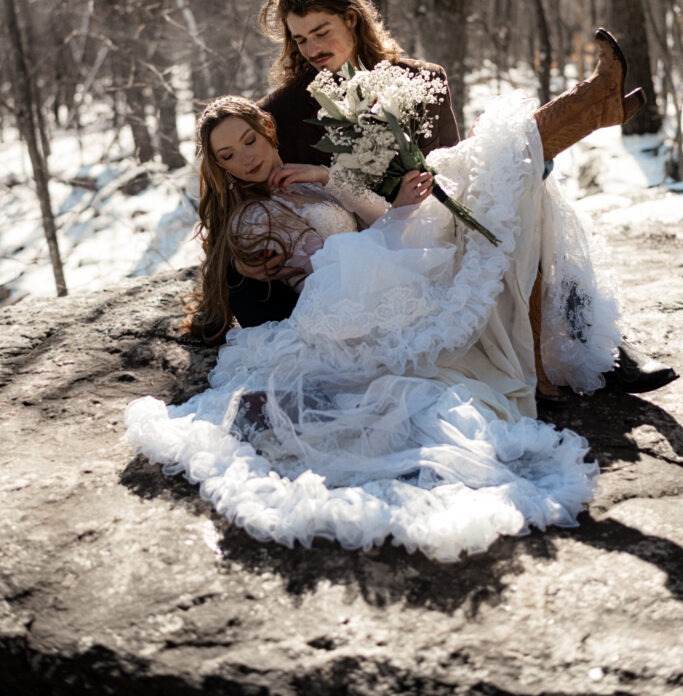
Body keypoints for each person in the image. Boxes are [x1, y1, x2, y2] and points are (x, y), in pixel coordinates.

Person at [125, 49, 653, 561]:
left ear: (267, 131)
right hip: (355, 302)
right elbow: (335, 269)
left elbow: (376, 222)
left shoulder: (301, 176)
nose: (247, 158)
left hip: (381, 266)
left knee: (473, 171)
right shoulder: (252, 217)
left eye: (249, 140)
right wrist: (396, 223)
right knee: (484, 180)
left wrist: (343, 183)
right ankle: (593, 107)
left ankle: (592, 105)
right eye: (229, 155)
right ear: (218, 167)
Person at [232, 0, 675, 396]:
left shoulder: (424, 79)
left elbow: (452, 164)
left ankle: (599, 345)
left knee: (519, 185)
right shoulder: (282, 112)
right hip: (386, 252)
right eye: (300, 38)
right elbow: (266, 196)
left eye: (321, 31)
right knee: (521, 175)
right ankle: (595, 108)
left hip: (448, 215)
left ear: (351, 18)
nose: (311, 47)